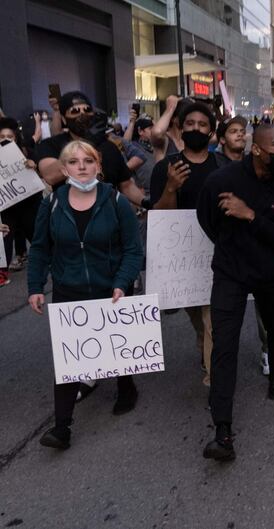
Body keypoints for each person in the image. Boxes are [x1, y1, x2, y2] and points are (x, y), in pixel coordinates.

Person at [27, 140, 143, 449]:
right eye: (74, 162)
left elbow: (133, 250)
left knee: (119, 351)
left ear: (98, 167)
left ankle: (126, 387)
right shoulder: (51, 204)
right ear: (64, 170)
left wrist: (121, 281)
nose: (82, 167)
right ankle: (61, 428)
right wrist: (35, 287)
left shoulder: (116, 201)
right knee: (70, 360)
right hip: (68, 291)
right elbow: (39, 248)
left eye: (88, 161)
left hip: (112, 288)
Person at [197, 125, 274, 461]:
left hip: (269, 271)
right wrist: (232, 244)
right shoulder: (222, 180)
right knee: (223, 343)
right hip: (229, 272)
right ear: (256, 149)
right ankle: (222, 431)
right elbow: (207, 220)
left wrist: (250, 215)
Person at [149, 102, 219, 386]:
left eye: (202, 125)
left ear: (212, 132)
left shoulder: (223, 166)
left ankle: (216, 381)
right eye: (190, 124)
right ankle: (207, 354)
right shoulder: (166, 167)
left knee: (214, 320)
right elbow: (160, 217)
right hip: (183, 263)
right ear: (180, 127)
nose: (196, 129)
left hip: (218, 257)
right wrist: (170, 188)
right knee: (201, 322)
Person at [33, 91, 147, 209]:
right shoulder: (52, 144)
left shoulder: (108, 146)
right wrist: (87, 142)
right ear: (64, 119)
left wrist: (145, 202)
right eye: (75, 111)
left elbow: (126, 185)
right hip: (70, 219)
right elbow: (50, 175)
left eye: (87, 110)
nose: (82, 114)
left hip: (106, 216)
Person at [0, 117, 41, 280]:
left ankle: (49, 262)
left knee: (36, 235)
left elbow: (41, 170)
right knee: (5, 238)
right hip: (7, 207)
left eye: (9, 137)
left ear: (15, 138)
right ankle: (2, 272)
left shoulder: (26, 152)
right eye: (2, 137)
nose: (5, 140)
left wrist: (33, 165)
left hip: (28, 204)